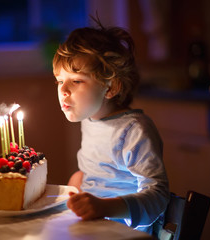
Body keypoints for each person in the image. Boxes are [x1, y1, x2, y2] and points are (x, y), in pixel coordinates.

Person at [52, 18, 170, 233]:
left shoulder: (134, 130)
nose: (64, 90)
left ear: (110, 88)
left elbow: (158, 196)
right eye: (60, 81)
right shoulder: (90, 120)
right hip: (90, 230)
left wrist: (104, 207)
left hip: (123, 234)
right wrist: (81, 180)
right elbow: (103, 173)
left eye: (76, 80)